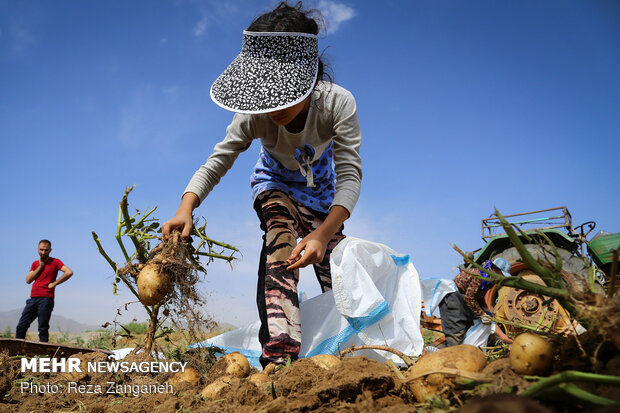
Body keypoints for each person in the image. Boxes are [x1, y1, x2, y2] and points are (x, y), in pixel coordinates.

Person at [162, 1, 362, 367]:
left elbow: (350, 175)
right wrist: (185, 207)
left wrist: (322, 234)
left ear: (312, 78)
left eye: (284, 94)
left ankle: (352, 348)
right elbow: (219, 159)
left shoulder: (337, 104)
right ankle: (279, 356)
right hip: (275, 186)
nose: (274, 109)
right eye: (266, 97)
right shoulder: (254, 116)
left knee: (339, 271)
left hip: (324, 199)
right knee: (280, 247)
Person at [438, 257, 511, 346]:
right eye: (501, 274)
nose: (502, 278)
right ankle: (449, 356)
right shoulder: (478, 276)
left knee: (467, 330)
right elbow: (469, 298)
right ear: (495, 270)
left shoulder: (490, 281)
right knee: (456, 335)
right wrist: (482, 314)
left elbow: (479, 297)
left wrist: (487, 312)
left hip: (464, 301)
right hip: (453, 299)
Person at [16, 239, 74, 342]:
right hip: (33, 298)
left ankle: (44, 353)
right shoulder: (35, 264)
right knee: (21, 326)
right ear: (37, 249)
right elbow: (28, 280)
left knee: (42, 328)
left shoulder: (55, 261)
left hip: (46, 299)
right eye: (41, 250)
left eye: (46, 250)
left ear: (50, 250)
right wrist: (40, 266)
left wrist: (54, 283)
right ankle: (16, 351)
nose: (43, 252)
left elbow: (69, 272)